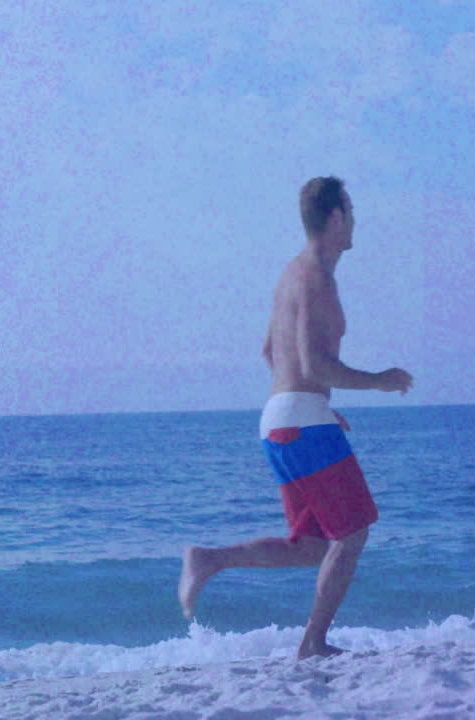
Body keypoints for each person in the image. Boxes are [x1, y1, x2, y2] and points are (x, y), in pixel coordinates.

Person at [177, 176, 413, 660]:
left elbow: (270, 351)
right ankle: (313, 643)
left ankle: (208, 558)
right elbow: (313, 366)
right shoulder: (316, 277)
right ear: (334, 217)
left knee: (311, 546)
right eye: (351, 210)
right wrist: (379, 380)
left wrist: (314, 407)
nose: (356, 221)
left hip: (281, 420)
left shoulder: (291, 274)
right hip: (299, 420)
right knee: (352, 533)